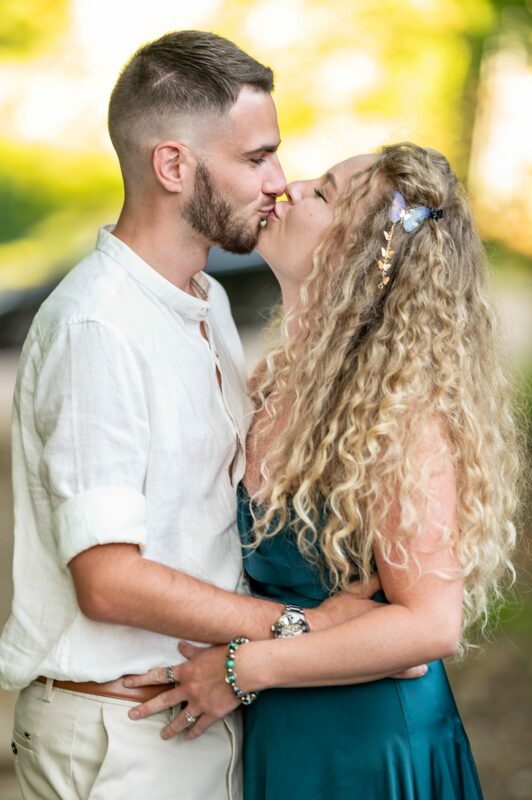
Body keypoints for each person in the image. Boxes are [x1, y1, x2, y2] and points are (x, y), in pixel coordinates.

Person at [0, 30, 387, 800]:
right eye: (255, 158)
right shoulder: (97, 327)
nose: (279, 181)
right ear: (173, 165)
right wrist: (290, 629)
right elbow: (107, 579)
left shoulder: (205, 303)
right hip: (119, 736)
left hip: (199, 719)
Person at [127, 143, 520, 799]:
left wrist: (242, 669)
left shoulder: (399, 415)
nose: (291, 186)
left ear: (368, 255)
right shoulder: (269, 385)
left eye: (325, 193)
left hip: (370, 745)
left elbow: (431, 625)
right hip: (282, 732)